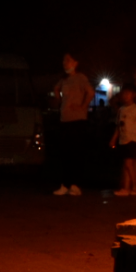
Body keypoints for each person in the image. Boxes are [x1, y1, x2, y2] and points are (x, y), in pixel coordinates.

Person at [53, 53, 94, 196]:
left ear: (75, 63)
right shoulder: (63, 79)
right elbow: (55, 89)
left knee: (76, 152)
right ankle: (65, 183)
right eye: (64, 60)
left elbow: (90, 92)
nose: (65, 62)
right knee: (65, 153)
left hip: (77, 120)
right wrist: (60, 101)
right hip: (65, 119)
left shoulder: (80, 77)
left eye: (68, 60)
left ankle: (75, 184)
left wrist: (83, 106)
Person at [109, 85, 136, 196]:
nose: (125, 96)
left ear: (133, 95)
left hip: (133, 139)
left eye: (128, 93)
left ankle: (134, 186)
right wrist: (113, 139)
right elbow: (119, 127)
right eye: (124, 93)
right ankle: (127, 188)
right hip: (123, 140)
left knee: (128, 163)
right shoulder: (121, 110)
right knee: (126, 165)